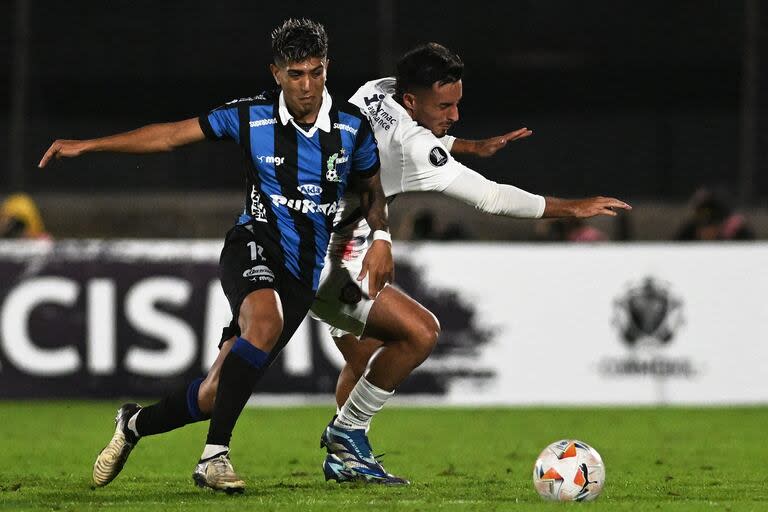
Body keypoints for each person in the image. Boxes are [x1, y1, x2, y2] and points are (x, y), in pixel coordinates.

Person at [38, 18, 393, 494]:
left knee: (211, 394)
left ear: (327, 69)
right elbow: (168, 136)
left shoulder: (352, 128)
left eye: (316, 72)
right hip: (253, 241)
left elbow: (371, 190)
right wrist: (91, 145)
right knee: (263, 322)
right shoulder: (251, 117)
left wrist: (383, 237)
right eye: (296, 74)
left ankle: (133, 425)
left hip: (303, 274)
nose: (307, 86)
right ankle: (214, 457)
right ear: (276, 73)